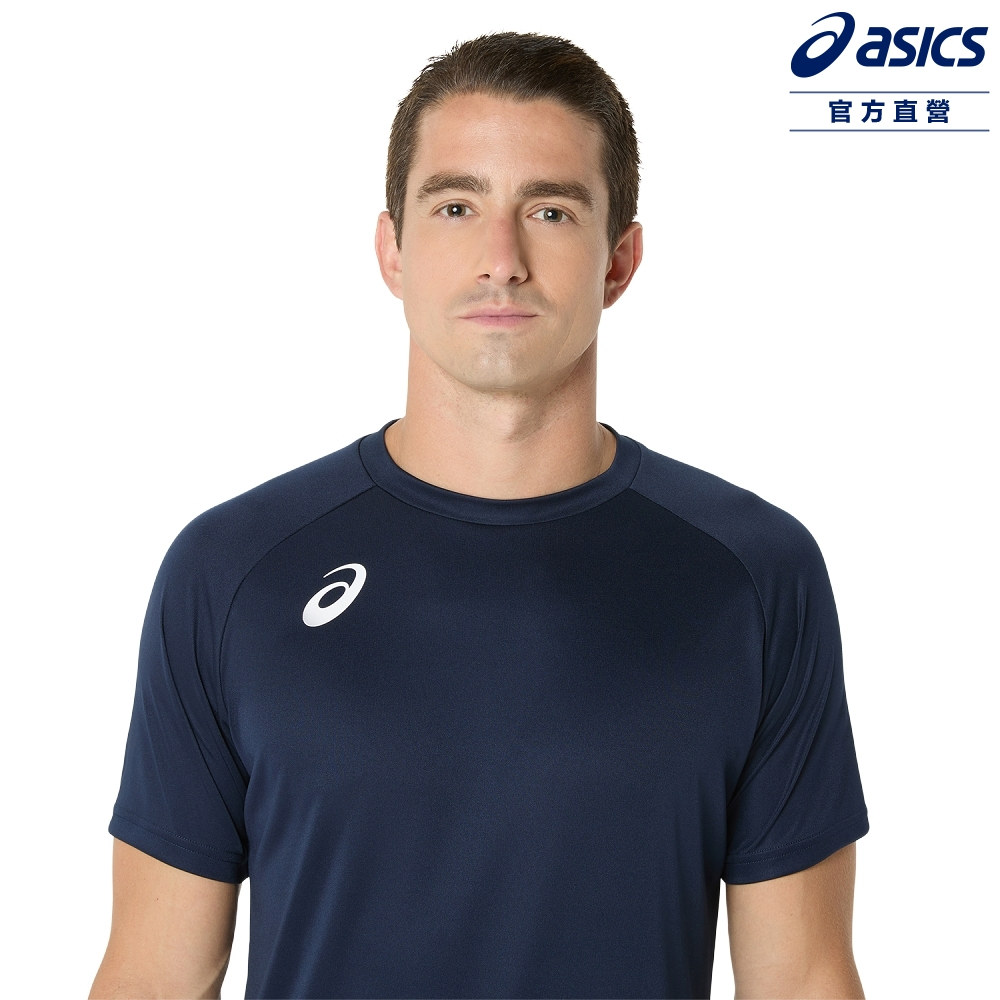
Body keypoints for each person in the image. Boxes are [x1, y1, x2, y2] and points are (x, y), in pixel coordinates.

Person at [90, 32, 868, 1000]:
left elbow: (803, 978)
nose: (502, 260)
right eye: (456, 207)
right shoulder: (234, 569)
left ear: (619, 260)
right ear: (393, 250)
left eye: (549, 210)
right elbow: (153, 976)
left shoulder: (751, 574)